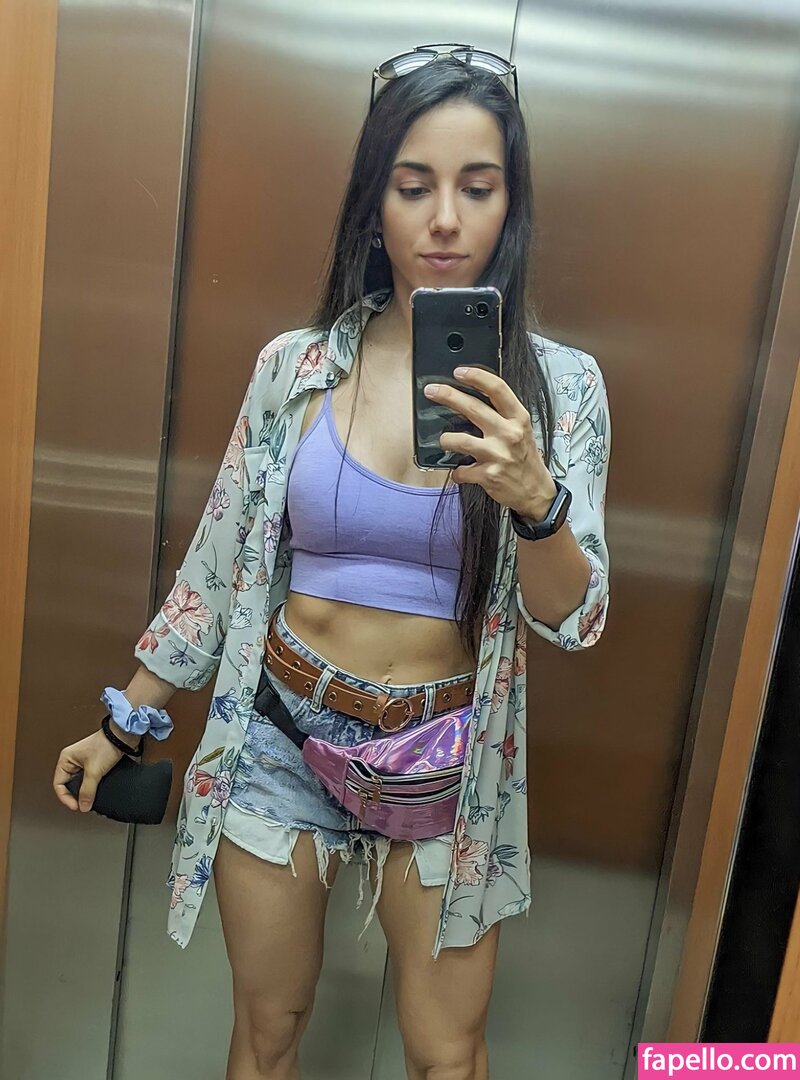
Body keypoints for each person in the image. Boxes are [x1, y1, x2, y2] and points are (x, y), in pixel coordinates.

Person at [53, 44, 611, 1080]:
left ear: (511, 204)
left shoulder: (559, 389)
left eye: (476, 187)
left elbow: (573, 618)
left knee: (446, 1055)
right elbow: (218, 560)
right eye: (413, 185)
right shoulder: (296, 367)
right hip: (278, 731)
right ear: (374, 203)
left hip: (445, 754)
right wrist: (125, 720)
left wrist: (536, 502)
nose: (443, 219)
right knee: (266, 1037)